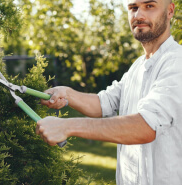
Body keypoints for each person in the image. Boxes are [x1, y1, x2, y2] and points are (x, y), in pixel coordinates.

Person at [36, 0, 182, 184]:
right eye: (133, 8)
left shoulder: (177, 62)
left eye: (149, 6)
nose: (138, 15)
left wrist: (67, 126)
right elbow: (104, 103)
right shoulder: (138, 66)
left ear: (170, 11)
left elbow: (146, 126)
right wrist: (67, 94)